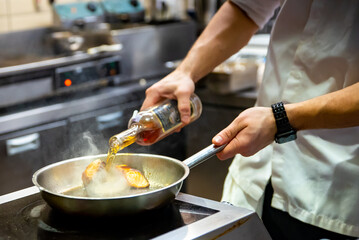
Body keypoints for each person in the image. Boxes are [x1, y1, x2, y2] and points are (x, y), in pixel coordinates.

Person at [140, 0, 359, 239]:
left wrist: (282, 119)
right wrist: (185, 72)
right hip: (254, 177)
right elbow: (247, 8)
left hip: (333, 191)